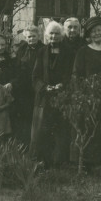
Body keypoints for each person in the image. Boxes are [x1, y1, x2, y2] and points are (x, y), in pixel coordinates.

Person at [71, 16, 101, 173]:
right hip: (88, 98)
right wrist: (82, 96)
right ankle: (88, 164)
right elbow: (77, 75)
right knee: (89, 129)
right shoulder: (83, 52)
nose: (97, 34)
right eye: (93, 31)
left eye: (100, 30)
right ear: (89, 34)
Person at [29, 21, 74, 166]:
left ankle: (59, 163)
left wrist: (62, 85)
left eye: (57, 33)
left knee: (61, 130)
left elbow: (70, 74)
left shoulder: (68, 52)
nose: (54, 36)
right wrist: (44, 87)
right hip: (44, 98)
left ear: (61, 35)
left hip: (62, 97)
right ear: (47, 36)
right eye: (51, 33)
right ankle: (42, 162)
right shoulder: (42, 52)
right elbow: (35, 76)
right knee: (43, 130)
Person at [12, 26, 42, 147]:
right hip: (23, 88)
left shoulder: (43, 49)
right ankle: (22, 144)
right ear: (26, 37)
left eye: (34, 36)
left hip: (37, 87)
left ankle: (35, 145)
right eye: (29, 36)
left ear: (38, 36)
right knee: (23, 116)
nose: (31, 39)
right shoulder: (22, 49)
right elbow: (17, 67)